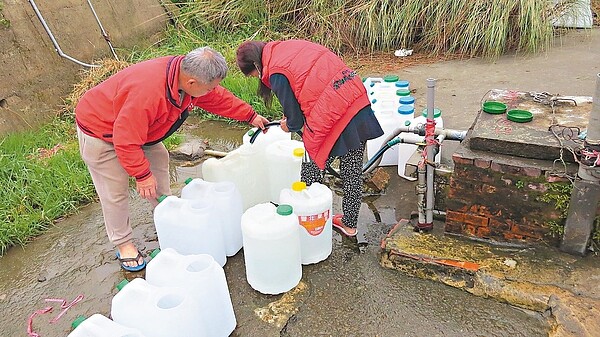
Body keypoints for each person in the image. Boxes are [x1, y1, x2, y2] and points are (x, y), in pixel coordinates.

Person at [75, 46, 268, 271]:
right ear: (192, 83)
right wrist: (141, 175)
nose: (212, 91)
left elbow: (217, 99)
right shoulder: (147, 93)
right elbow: (125, 139)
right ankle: (123, 243)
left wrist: (250, 115)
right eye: (209, 88)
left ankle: (167, 215)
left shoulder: (186, 76)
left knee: (158, 159)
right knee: (115, 191)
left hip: (142, 129)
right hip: (102, 130)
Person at [236, 39, 383, 237]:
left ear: (255, 65)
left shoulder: (276, 71)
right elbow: (308, 86)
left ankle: (307, 220)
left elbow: (296, 122)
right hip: (355, 100)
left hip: (335, 114)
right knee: (352, 171)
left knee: (312, 167)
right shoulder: (285, 48)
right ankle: (349, 224)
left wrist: (288, 125)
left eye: (253, 75)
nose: (257, 78)